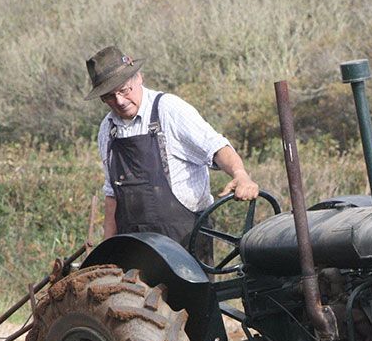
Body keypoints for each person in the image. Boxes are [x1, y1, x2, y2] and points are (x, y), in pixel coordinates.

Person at [85, 45, 259, 253]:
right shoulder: (108, 129)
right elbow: (112, 194)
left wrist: (240, 174)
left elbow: (215, 146)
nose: (120, 101)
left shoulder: (169, 110)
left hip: (185, 241)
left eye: (124, 91)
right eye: (110, 97)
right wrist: (107, 250)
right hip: (134, 247)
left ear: (138, 78)